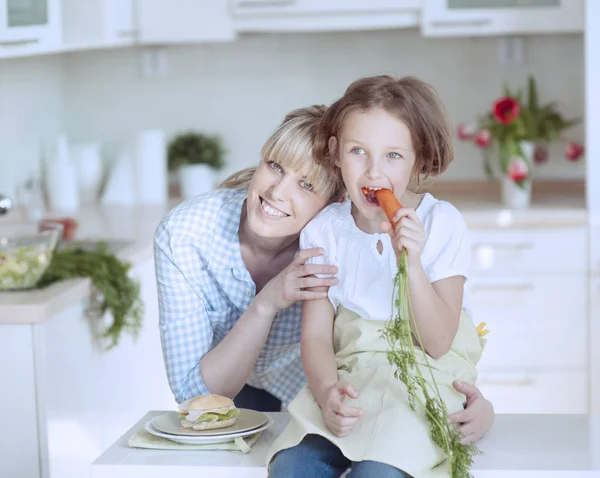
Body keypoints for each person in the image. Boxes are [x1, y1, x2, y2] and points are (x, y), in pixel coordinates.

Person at [153, 104, 494, 439]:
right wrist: (266, 303)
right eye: (275, 166)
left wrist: (474, 401)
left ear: (338, 203)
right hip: (242, 388)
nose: (277, 192)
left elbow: (434, 332)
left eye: (307, 185)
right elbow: (195, 399)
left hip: (326, 394)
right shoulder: (186, 234)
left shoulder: (339, 237)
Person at [267, 76, 488, 478]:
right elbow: (316, 335)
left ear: (418, 159)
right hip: (350, 384)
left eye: (393, 156)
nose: (374, 171)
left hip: (421, 388)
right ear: (335, 153)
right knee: (292, 466)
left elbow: (438, 343)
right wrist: (327, 393)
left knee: (378, 473)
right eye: (358, 152)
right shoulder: (324, 230)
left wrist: (412, 263)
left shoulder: (441, 224)